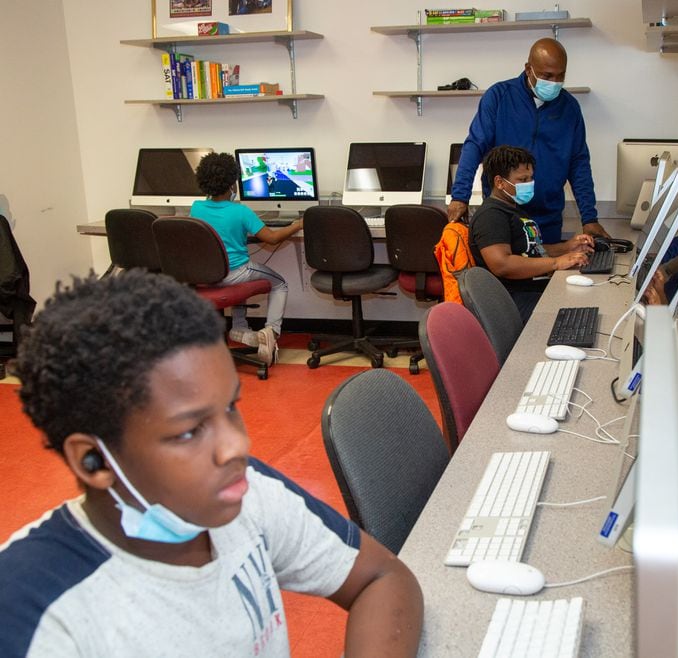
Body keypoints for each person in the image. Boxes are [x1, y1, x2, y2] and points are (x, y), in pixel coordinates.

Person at [0, 271, 423, 658]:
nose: (236, 446)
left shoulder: (245, 492)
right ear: (93, 462)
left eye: (231, 407)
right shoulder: (35, 613)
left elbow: (381, 578)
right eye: (189, 431)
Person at [448, 37, 610, 244]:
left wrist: (589, 218)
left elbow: (579, 165)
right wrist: (460, 196)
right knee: (504, 269)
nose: (553, 83)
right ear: (528, 69)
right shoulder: (499, 96)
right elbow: (474, 146)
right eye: (547, 76)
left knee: (546, 269)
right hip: (502, 216)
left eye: (560, 76)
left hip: (547, 219)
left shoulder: (570, 108)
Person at [190, 152, 303, 365]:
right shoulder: (240, 212)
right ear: (233, 182)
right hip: (236, 273)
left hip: (206, 276)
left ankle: (240, 328)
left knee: (241, 276)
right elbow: (271, 238)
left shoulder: (196, 208)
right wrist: (297, 225)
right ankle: (271, 332)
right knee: (279, 283)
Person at [469, 145, 593, 322]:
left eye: (530, 178)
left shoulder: (515, 210)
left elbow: (532, 251)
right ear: (499, 182)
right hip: (514, 300)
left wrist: (568, 247)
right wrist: (556, 263)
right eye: (522, 179)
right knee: (581, 316)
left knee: (591, 299)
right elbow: (502, 264)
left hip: (532, 290)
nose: (529, 183)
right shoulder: (491, 216)